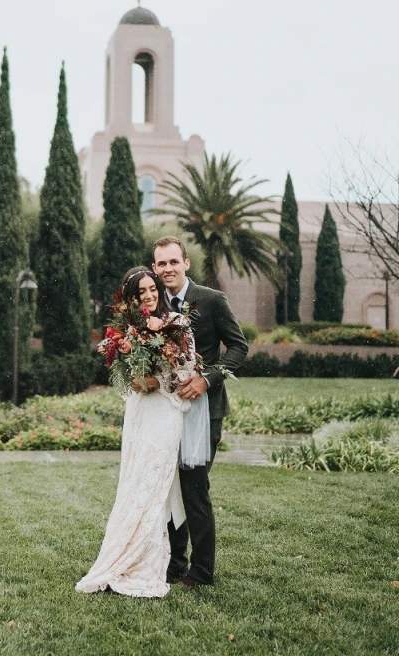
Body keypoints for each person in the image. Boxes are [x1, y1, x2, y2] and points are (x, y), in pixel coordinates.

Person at [75, 267, 200, 598]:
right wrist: (134, 380)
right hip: (140, 412)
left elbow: (187, 371)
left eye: (152, 288)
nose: (148, 295)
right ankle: (122, 560)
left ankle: (145, 564)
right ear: (131, 298)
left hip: (165, 412)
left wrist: (157, 382)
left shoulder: (177, 323)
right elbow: (122, 372)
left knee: (153, 485)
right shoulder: (127, 331)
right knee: (132, 482)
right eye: (140, 291)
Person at [152, 236, 248, 589]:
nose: (167, 269)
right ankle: (173, 565)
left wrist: (207, 379)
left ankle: (201, 571)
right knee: (168, 488)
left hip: (203, 411)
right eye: (161, 264)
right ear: (154, 268)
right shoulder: (153, 305)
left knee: (194, 489)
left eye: (173, 262)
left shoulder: (211, 300)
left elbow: (239, 347)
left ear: (186, 263)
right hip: (165, 412)